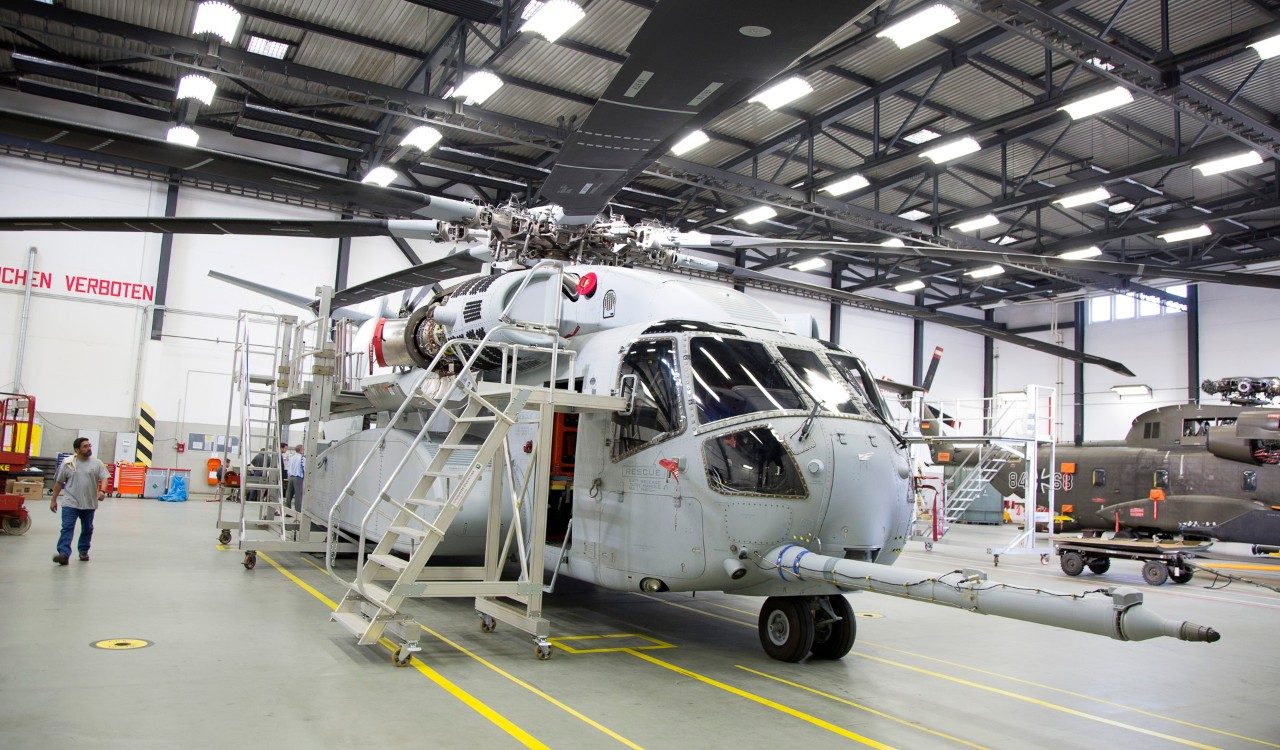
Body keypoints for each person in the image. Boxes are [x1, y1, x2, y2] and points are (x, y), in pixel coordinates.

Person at [49, 437, 109, 565]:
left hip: (89, 503)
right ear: (77, 449)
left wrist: (102, 491)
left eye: (89, 445)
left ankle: (83, 551)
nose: (89, 448)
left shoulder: (97, 463)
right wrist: (53, 500)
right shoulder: (68, 463)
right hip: (70, 502)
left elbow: (104, 478)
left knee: (87, 528)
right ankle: (63, 554)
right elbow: (59, 483)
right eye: (85, 446)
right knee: (67, 527)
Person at [286, 444, 305, 515]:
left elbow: (288, 468)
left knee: (289, 495)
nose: (304, 450)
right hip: (298, 478)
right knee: (298, 496)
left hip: (290, 478)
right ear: (300, 450)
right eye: (303, 449)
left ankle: (288, 512)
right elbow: (305, 468)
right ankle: (298, 513)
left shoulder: (291, 458)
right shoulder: (302, 458)